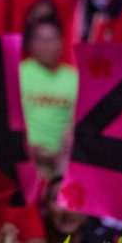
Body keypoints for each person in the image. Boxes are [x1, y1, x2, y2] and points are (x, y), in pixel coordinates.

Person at [19, 18, 78, 177]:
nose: (46, 45)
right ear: (30, 43)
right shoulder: (18, 74)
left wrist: (64, 151)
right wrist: (28, 148)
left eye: (51, 39)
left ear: (62, 43)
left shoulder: (73, 78)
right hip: (24, 162)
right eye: (40, 39)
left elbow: (76, 122)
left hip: (61, 166)